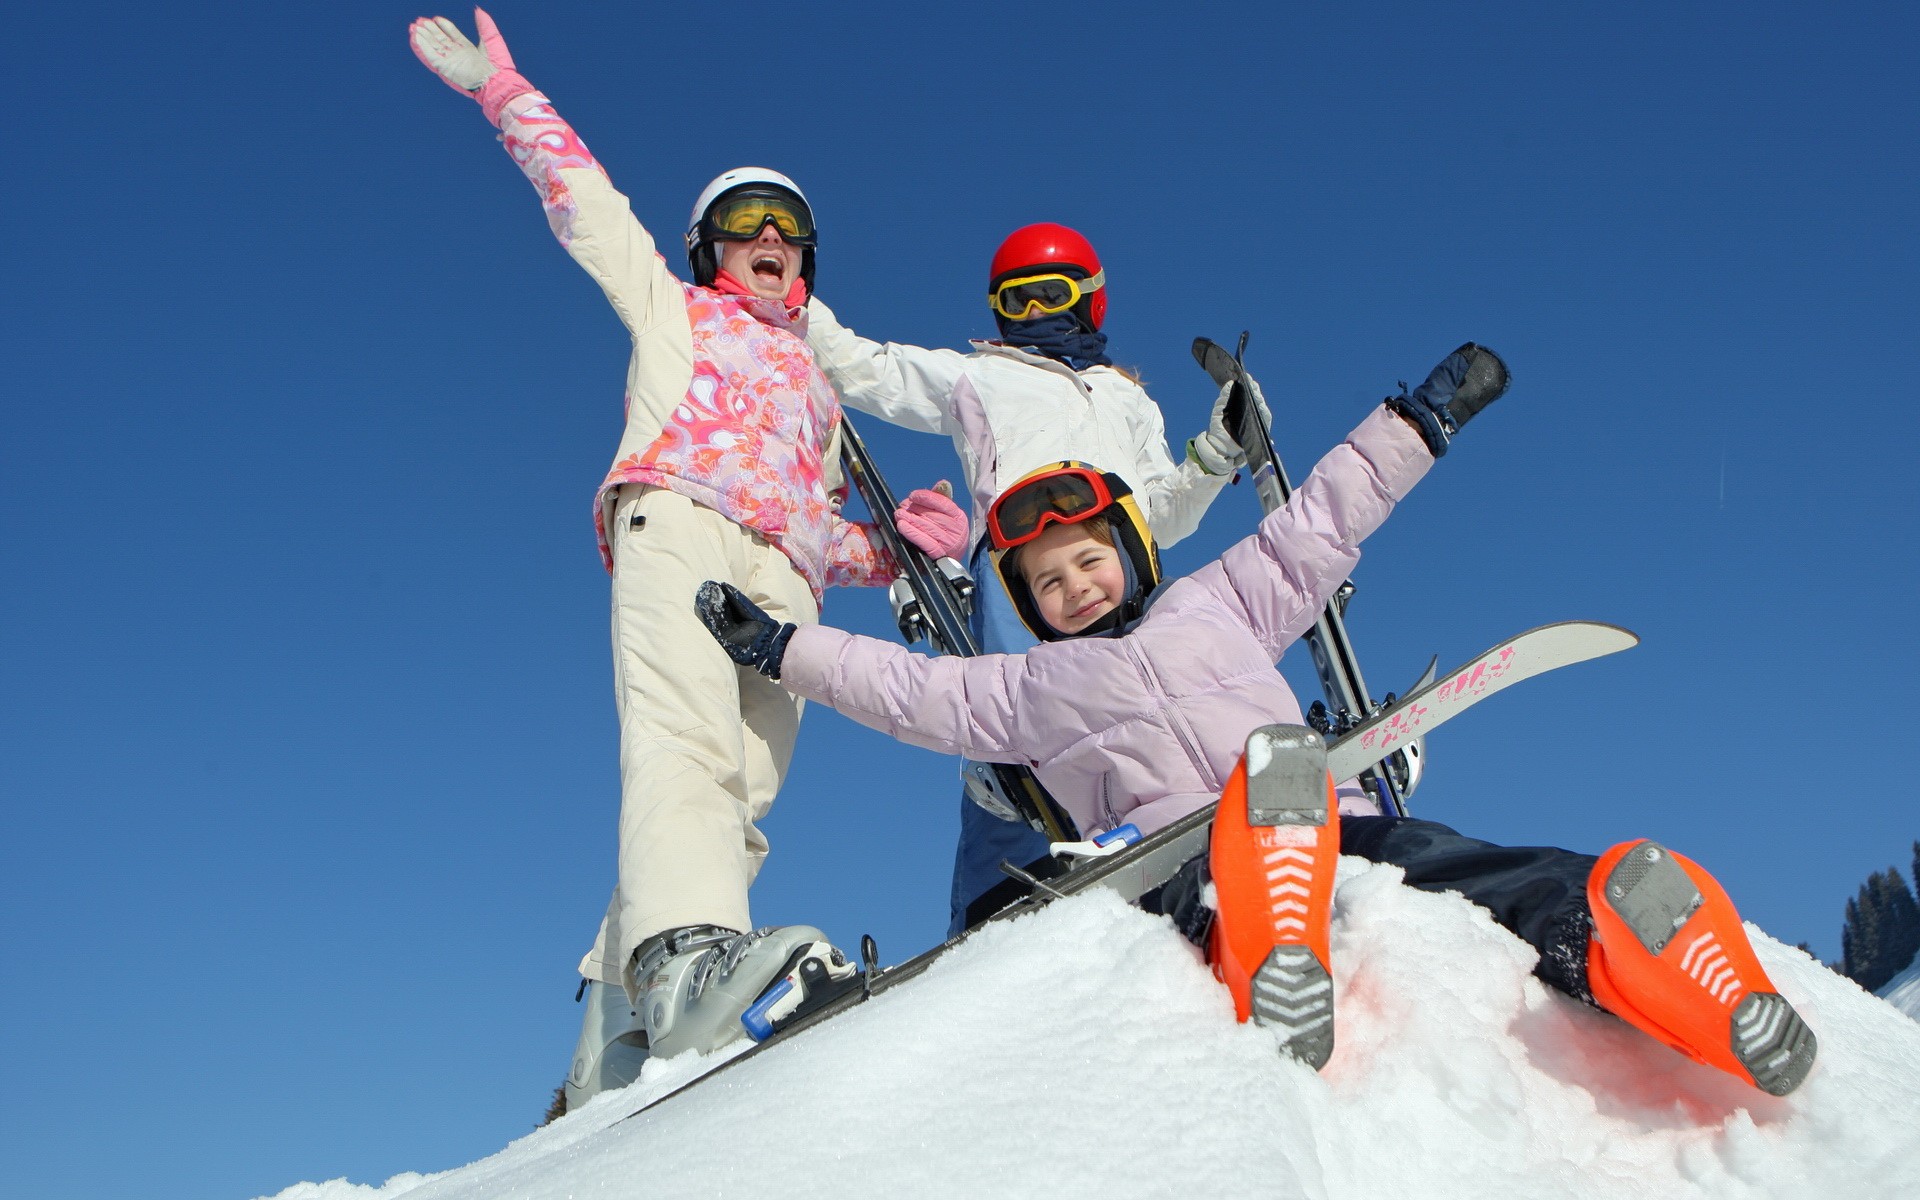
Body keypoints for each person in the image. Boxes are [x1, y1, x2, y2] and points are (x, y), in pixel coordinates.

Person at [694, 345, 1819, 1096]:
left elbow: (1320, 522)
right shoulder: (1022, 691)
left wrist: (1418, 423)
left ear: (1132, 555)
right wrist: (780, 648)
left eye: (1089, 560)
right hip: (1175, 858)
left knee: (1452, 861)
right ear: (1028, 610)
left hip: (1324, 822)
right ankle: (1266, 941)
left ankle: (1636, 944)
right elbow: (902, 691)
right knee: (1231, 855)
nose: (1074, 586)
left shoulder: (1217, 603)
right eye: (1047, 583)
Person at [408, 10, 966, 1107]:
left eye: (789, 228)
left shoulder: (817, 381)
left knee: (741, 794)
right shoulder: (675, 310)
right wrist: (505, 96)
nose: (769, 235)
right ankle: (688, 963)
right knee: (683, 743)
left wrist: (895, 548)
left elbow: (808, 520)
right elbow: (589, 207)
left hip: (783, 585)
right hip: (679, 522)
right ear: (709, 246)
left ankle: (613, 1033)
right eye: (743, 222)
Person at [806, 223, 1250, 934]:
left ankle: (1184, 848)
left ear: (1090, 301)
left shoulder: (1127, 399)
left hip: (1121, 564)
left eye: (1050, 294)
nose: (1035, 314)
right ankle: (992, 918)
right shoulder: (978, 377)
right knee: (1024, 732)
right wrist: (796, 299)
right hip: (1021, 569)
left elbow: (1163, 513)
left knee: (1158, 713)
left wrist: (1219, 452)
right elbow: (868, 369)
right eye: (1016, 302)